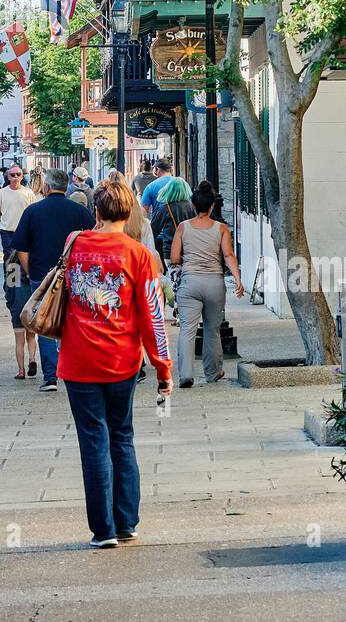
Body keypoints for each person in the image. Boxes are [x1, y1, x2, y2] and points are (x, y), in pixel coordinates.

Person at [59, 177, 172, 547]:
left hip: (78, 360)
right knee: (122, 437)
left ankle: (102, 530)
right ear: (130, 212)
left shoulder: (74, 244)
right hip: (122, 361)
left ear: (97, 210)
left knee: (93, 441)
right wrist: (163, 368)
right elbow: (152, 316)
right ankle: (127, 522)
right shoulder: (139, 255)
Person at [13, 168, 95, 392]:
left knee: (45, 323)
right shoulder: (80, 212)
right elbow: (93, 241)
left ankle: (50, 377)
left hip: (42, 276)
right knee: (76, 323)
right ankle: (77, 371)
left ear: (46, 187)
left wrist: (30, 271)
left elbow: (21, 247)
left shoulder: (33, 211)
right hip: (75, 276)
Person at [170, 182, 244, 388]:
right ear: (212, 206)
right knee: (213, 330)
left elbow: (175, 257)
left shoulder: (182, 227)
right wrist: (238, 279)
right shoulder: (221, 229)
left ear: (194, 206)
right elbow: (229, 255)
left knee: (187, 329)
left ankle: (186, 375)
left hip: (190, 283)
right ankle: (212, 373)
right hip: (214, 283)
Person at [0, 164, 40, 378]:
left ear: (22, 176)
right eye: (12, 175)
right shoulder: (1, 193)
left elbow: (35, 218)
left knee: (22, 272)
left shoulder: (28, 194)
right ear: (7, 176)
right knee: (11, 271)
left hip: (24, 233)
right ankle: (13, 295)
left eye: (19, 174)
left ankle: (19, 295)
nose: (16, 177)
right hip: (8, 235)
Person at [151, 177, 196, 266]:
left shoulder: (165, 208)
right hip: (189, 250)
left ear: (169, 190)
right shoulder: (192, 207)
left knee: (175, 278)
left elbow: (153, 230)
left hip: (170, 249)